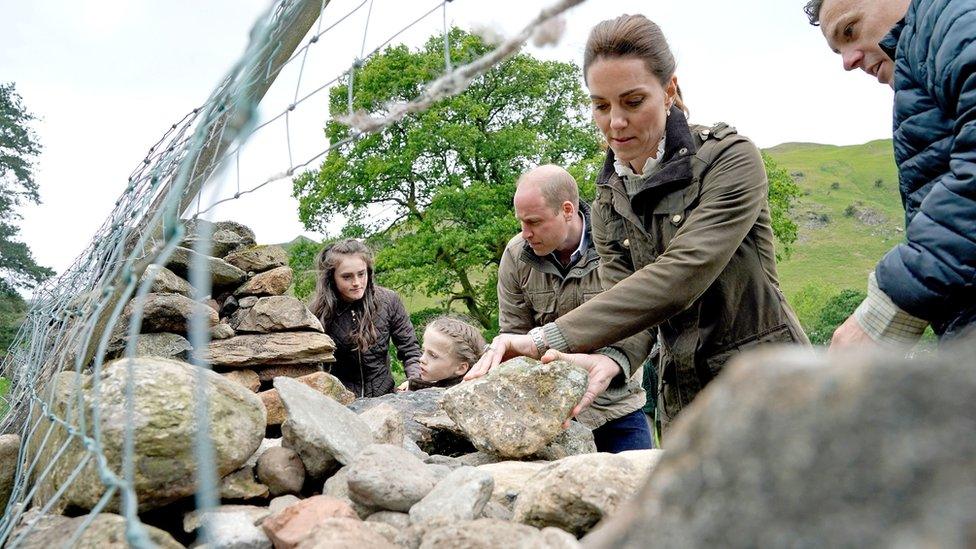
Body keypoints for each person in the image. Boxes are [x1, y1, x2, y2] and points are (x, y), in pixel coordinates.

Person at [470, 14, 808, 436]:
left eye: (632, 102)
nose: (615, 122)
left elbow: (681, 276)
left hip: (772, 390)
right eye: (600, 105)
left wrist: (547, 337)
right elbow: (627, 303)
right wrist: (613, 358)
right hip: (684, 398)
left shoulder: (731, 160)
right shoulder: (608, 200)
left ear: (669, 92)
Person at [804, 0, 976, 348]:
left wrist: (887, 308)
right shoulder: (926, 50)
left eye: (850, 31)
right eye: (838, 49)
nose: (848, 62)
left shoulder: (948, 20)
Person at [497, 164, 653, 452]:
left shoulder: (619, 245)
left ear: (567, 210)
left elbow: (644, 321)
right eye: (521, 222)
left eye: (534, 222)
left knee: (642, 494)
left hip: (618, 409)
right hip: (552, 417)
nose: (525, 233)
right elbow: (514, 334)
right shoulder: (515, 255)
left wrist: (609, 365)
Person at [309, 239, 421, 397]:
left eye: (361, 274)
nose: (356, 282)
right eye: (347, 277)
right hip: (341, 402)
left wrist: (414, 380)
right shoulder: (317, 312)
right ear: (331, 278)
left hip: (385, 397)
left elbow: (410, 349)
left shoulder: (389, 300)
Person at [404, 315, 486, 391]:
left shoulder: (454, 399)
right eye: (423, 350)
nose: (421, 359)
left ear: (461, 368)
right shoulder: (425, 383)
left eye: (433, 355)